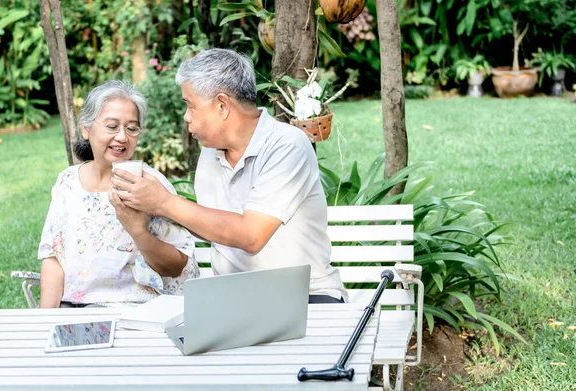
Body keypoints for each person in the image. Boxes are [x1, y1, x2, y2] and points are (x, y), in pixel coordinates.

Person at [113, 48, 347, 303]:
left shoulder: (287, 145)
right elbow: (212, 226)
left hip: (306, 297)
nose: (186, 117)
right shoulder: (210, 153)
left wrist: (164, 202)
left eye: (190, 106)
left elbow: (251, 235)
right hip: (236, 301)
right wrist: (154, 207)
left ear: (222, 105)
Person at [38, 80, 199, 308]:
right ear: (86, 128)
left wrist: (138, 231)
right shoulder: (68, 182)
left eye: (131, 128)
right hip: (73, 314)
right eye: (112, 126)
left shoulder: (150, 185)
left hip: (136, 312)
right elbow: (54, 258)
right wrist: (46, 320)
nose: (122, 137)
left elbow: (178, 267)